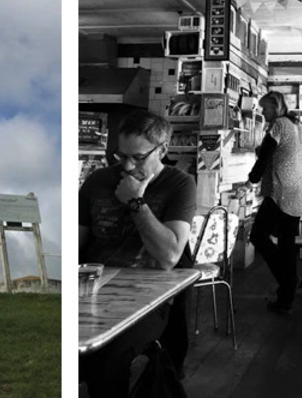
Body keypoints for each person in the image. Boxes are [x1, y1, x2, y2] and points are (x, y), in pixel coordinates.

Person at [78, 110, 195, 397]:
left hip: (148, 298)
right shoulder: (97, 181)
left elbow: (169, 256)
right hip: (94, 290)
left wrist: (136, 203)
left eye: (139, 158)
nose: (128, 166)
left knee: (108, 362)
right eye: (121, 156)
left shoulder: (179, 184)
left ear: (163, 150)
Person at [248, 90, 302, 314]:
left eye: (264, 108)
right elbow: (292, 154)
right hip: (300, 190)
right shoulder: (299, 127)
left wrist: (251, 180)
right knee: (287, 245)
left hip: (282, 191)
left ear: (275, 107)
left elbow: (265, 156)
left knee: (257, 236)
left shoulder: (278, 124)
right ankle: (285, 298)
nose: (262, 112)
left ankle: (288, 280)